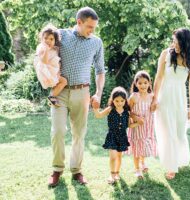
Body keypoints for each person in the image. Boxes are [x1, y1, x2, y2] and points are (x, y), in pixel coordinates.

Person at [48, 7, 105, 187]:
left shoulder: (96, 42)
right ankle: (57, 169)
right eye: (89, 27)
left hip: (83, 93)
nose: (92, 31)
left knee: (79, 134)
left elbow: (100, 70)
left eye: (94, 27)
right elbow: (44, 53)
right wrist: (49, 82)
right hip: (61, 92)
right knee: (58, 131)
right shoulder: (61, 35)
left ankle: (77, 170)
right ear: (79, 22)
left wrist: (98, 92)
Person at [152, 28, 190, 179]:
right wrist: (154, 98)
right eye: (172, 41)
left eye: (176, 41)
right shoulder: (166, 54)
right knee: (168, 132)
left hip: (180, 98)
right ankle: (171, 166)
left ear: (185, 42)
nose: (174, 44)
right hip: (165, 96)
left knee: (179, 132)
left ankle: (179, 159)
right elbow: (159, 77)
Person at [93, 87, 140, 184]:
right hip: (112, 136)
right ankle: (112, 174)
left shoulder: (127, 112)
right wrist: (95, 108)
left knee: (119, 157)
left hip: (122, 136)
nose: (119, 103)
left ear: (125, 101)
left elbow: (129, 125)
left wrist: (138, 123)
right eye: (117, 101)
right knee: (113, 156)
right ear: (112, 100)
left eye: (122, 101)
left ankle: (117, 173)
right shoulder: (110, 109)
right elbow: (98, 115)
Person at [126, 71, 157, 178]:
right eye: (140, 83)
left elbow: (154, 108)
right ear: (135, 84)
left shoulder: (152, 96)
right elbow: (127, 110)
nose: (143, 85)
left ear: (149, 83)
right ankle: (136, 168)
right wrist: (136, 118)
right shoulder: (134, 97)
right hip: (137, 126)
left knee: (143, 146)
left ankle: (143, 162)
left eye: (145, 82)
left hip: (147, 126)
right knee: (136, 147)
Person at [34, 24, 67, 106]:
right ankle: (52, 97)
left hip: (52, 71)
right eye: (45, 38)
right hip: (46, 71)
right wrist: (46, 50)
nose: (48, 40)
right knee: (64, 81)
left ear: (55, 41)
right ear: (41, 39)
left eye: (51, 39)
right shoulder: (41, 48)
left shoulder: (54, 48)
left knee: (62, 82)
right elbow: (44, 61)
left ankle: (52, 97)